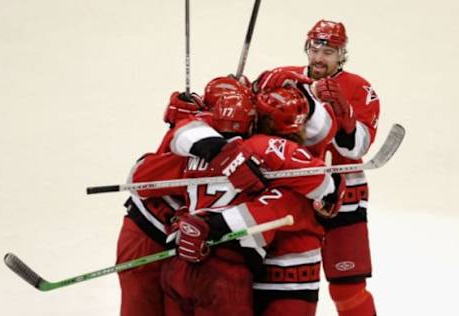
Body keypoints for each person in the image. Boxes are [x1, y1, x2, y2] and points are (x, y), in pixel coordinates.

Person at [129, 87, 345, 316]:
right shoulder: (265, 147)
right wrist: (333, 189)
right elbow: (325, 186)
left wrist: (187, 219)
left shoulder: (191, 157)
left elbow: (137, 180)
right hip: (227, 272)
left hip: (178, 266)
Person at [255, 20, 380, 315]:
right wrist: (259, 83)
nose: (320, 57)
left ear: (342, 54)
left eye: (329, 51)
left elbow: (357, 148)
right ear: (307, 48)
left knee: (347, 286)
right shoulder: (288, 79)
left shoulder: (360, 88)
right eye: (315, 48)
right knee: (281, 288)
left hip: (345, 196)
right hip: (295, 197)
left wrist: (345, 115)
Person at [116, 91, 203, 316]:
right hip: (145, 235)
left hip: (190, 253)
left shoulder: (257, 150)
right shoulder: (191, 138)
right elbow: (138, 179)